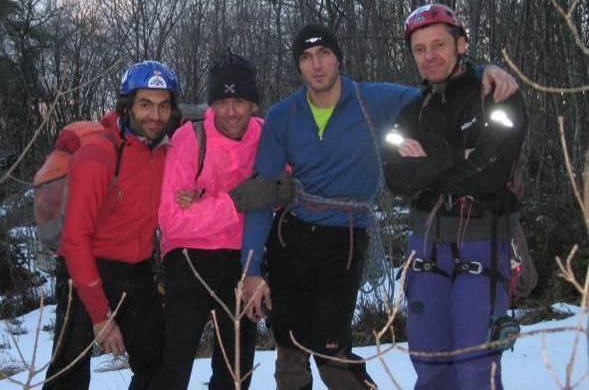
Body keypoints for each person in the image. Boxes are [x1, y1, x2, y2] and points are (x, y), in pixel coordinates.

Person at [239, 23, 518, 390]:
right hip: (290, 236)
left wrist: (482, 71)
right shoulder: (283, 116)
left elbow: (440, 88)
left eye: (324, 54)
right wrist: (252, 269)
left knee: (332, 347)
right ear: (298, 66)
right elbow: (262, 195)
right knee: (289, 348)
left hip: (345, 236)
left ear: (339, 58)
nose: (317, 65)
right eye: (306, 58)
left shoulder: (374, 100)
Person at [383, 4, 526, 390]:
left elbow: (490, 174)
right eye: (419, 49)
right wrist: (457, 157)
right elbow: (396, 176)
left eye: (439, 44)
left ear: (461, 44)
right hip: (426, 247)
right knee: (430, 365)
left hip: (482, 240)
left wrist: (428, 164)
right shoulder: (411, 111)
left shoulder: (496, 95)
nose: (430, 56)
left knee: (476, 366)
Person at [43, 60, 180, 390]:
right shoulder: (99, 154)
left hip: (137, 270)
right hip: (85, 270)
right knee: (69, 373)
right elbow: (75, 239)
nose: (155, 115)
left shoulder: (164, 152)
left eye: (163, 106)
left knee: (158, 363)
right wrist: (101, 317)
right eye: (145, 104)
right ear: (127, 105)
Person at [150, 51, 265, 390]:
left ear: (254, 105)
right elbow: (171, 222)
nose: (230, 112)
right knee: (173, 362)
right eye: (222, 101)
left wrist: (203, 207)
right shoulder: (190, 139)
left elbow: (283, 190)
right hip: (188, 260)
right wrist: (238, 201)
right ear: (211, 103)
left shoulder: (267, 137)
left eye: (240, 101)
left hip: (243, 261)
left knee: (236, 369)